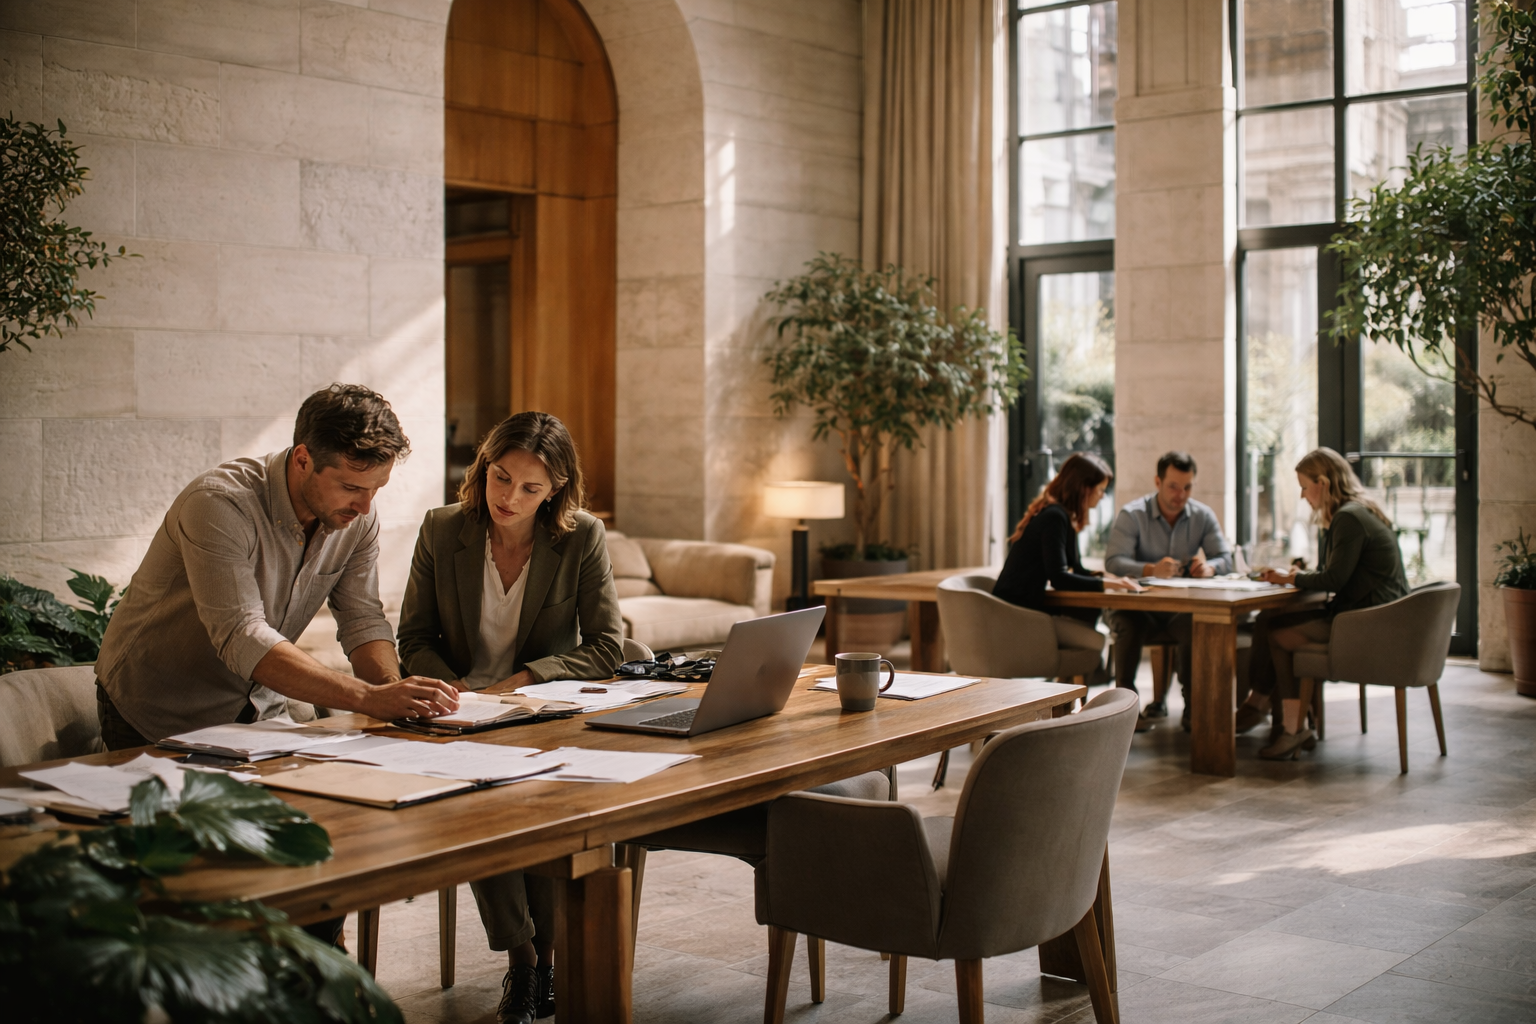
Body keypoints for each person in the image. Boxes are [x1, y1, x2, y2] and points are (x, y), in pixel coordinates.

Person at [94, 383, 461, 945]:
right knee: (196, 879)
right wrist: (365, 699)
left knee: (319, 837)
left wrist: (396, 693)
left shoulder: (355, 519)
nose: (365, 507)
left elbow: (362, 619)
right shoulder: (217, 503)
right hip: (155, 704)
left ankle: (312, 965)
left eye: (376, 489)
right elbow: (240, 635)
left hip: (256, 709)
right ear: (303, 459)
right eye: (351, 487)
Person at [397, 411, 623, 1024]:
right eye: (501, 478)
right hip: (457, 714)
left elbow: (608, 645)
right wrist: (453, 689)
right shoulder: (443, 529)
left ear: (555, 491)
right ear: (483, 468)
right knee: (478, 807)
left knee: (541, 806)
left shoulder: (581, 537)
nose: (510, 497)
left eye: (530, 488)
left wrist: (523, 682)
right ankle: (527, 963)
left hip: (540, 712)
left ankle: (539, 966)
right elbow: (412, 636)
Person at [1236, 447, 1409, 760]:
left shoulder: (1348, 518)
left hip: (1368, 624)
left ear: (1324, 483)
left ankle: (1283, 722)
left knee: (1277, 633)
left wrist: (1290, 579)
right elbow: (1341, 574)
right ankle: (1280, 717)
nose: (1303, 496)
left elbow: (1333, 581)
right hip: (1384, 619)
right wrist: (1300, 576)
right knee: (1269, 623)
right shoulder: (1360, 510)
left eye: (1304, 486)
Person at [1103, 451, 1234, 729]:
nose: (1181, 494)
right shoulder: (1133, 514)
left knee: (1195, 622)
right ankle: (1125, 710)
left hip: (1178, 610)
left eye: (1187, 487)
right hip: (1137, 609)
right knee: (1127, 623)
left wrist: (1210, 567)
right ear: (1158, 482)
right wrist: (1150, 570)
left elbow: (1226, 557)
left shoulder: (1202, 515)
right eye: (1173, 486)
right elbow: (1114, 561)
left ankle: (1192, 708)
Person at [992, 453, 1142, 675]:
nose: (1102, 497)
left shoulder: (1062, 515)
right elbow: (1060, 577)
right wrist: (1109, 585)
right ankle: (1071, 696)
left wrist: (1112, 580)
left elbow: (1077, 569)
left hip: (1023, 609)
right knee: (1094, 640)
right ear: (1084, 489)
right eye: (1100, 490)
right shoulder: (1054, 517)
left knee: (1087, 621)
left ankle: (1070, 697)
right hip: (1016, 615)